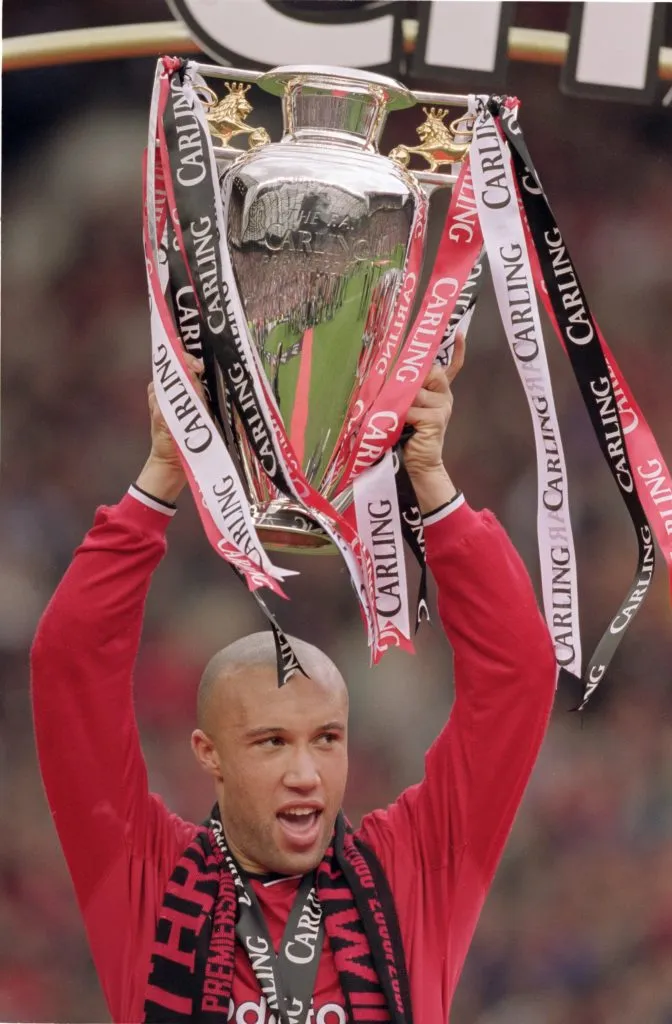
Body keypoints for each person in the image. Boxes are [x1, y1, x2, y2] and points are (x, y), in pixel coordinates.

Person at [31, 340, 557, 1024]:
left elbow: (518, 672)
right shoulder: (143, 877)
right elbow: (69, 668)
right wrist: (163, 473)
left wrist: (429, 478)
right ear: (208, 753)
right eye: (272, 742)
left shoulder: (415, 873)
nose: (306, 773)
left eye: (326, 738)